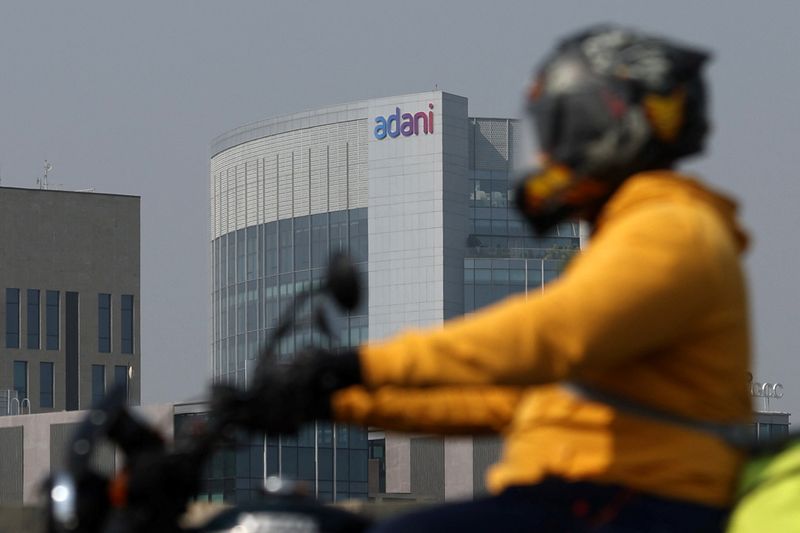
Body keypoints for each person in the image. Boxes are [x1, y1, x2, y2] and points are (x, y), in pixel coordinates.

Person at [227, 25, 752, 532]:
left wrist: (359, 363)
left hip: (635, 500)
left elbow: (551, 334)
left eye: (562, 129)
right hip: (590, 496)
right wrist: (334, 403)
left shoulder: (673, 230)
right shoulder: (629, 237)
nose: (547, 155)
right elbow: (509, 403)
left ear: (612, 126)